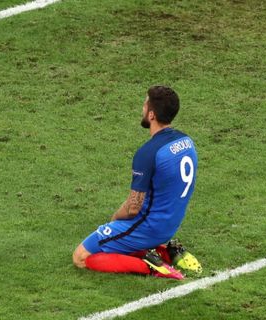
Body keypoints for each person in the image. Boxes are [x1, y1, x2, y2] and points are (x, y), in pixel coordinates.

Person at [72, 85, 201, 279]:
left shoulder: (148, 153)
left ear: (151, 115)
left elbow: (133, 207)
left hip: (148, 227)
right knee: (120, 237)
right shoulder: (187, 142)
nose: (142, 108)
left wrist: (113, 220)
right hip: (170, 224)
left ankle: (150, 266)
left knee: (81, 257)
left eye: (144, 104)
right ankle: (167, 250)